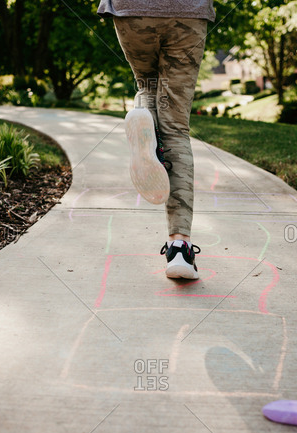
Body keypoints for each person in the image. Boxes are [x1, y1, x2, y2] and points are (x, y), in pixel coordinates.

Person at [97, 0, 215, 280]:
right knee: (175, 128)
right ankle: (179, 247)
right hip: (188, 12)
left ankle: (143, 119)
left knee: (146, 82)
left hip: (132, 10)